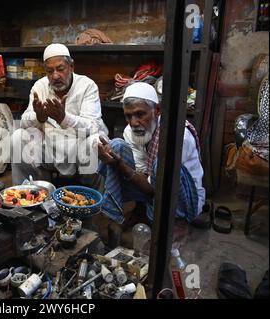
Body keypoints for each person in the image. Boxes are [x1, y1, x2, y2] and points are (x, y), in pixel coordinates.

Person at [94, 82, 205, 245]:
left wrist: (121, 166)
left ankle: (176, 221)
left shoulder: (179, 136)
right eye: (128, 115)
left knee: (161, 162)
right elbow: (142, 175)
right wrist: (115, 160)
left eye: (140, 114)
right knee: (116, 146)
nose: (133, 122)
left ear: (157, 111)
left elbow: (154, 187)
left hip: (184, 197)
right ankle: (122, 215)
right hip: (151, 184)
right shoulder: (130, 132)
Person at [11, 43, 108, 185]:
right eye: (50, 71)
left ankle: (90, 195)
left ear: (71, 67)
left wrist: (64, 118)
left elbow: (92, 126)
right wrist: (39, 117)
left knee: (95, 141)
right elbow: (24, 121)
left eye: (60, 69)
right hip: (50, 147)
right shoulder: (40, 86)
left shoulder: (87, 86)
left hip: (78, 149)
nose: (55, 76)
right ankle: (32, 193)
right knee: (18, 137)